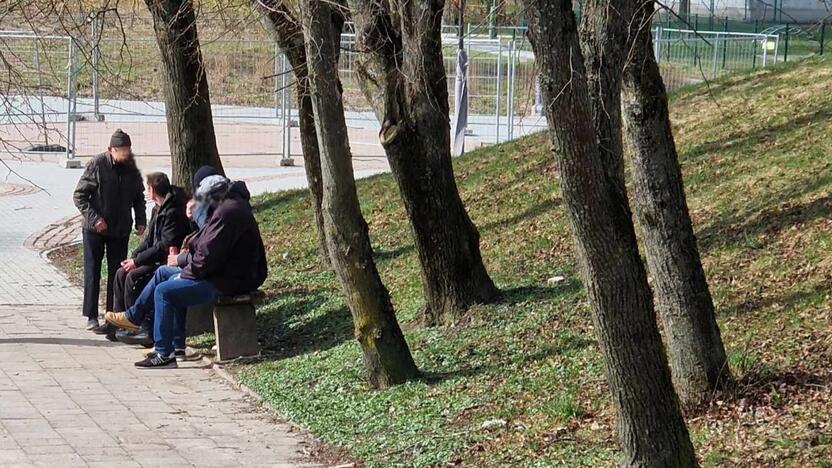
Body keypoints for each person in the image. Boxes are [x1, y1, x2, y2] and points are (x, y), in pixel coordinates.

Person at [106, 167, 268, 368]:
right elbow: (204, 246)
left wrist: (183, 273)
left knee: (164, 291)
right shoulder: (226, 207)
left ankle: (165, 354)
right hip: (220, 272)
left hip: (229, 279)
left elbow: (207, 256)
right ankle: (134, 317)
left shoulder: (227, 213)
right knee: (162, 272)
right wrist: (184, 260)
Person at [97, 172, 192, 344]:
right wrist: (134, 257)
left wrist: (138, 262)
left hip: (165, 259)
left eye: (148, 188)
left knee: (133, 277)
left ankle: (141, 326)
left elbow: (164, 245)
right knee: (121, 273)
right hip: (154, 256)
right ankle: (120, 323)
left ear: (153, 189)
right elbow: (149, 239)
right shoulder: (158, 208)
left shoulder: (173, 211)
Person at [73, 129, 146, 331]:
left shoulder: (132, 168)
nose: (125, 154)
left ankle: (112, 316)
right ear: (110, 150)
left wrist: (141, 220)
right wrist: (95, 218)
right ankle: (91, 315)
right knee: (92, 271)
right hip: (94, 229)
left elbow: (139, 197)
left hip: (120, 228)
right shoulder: (97, 165)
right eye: (120, 150)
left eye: (127, 150)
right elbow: (79, 196)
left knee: (117, 273)